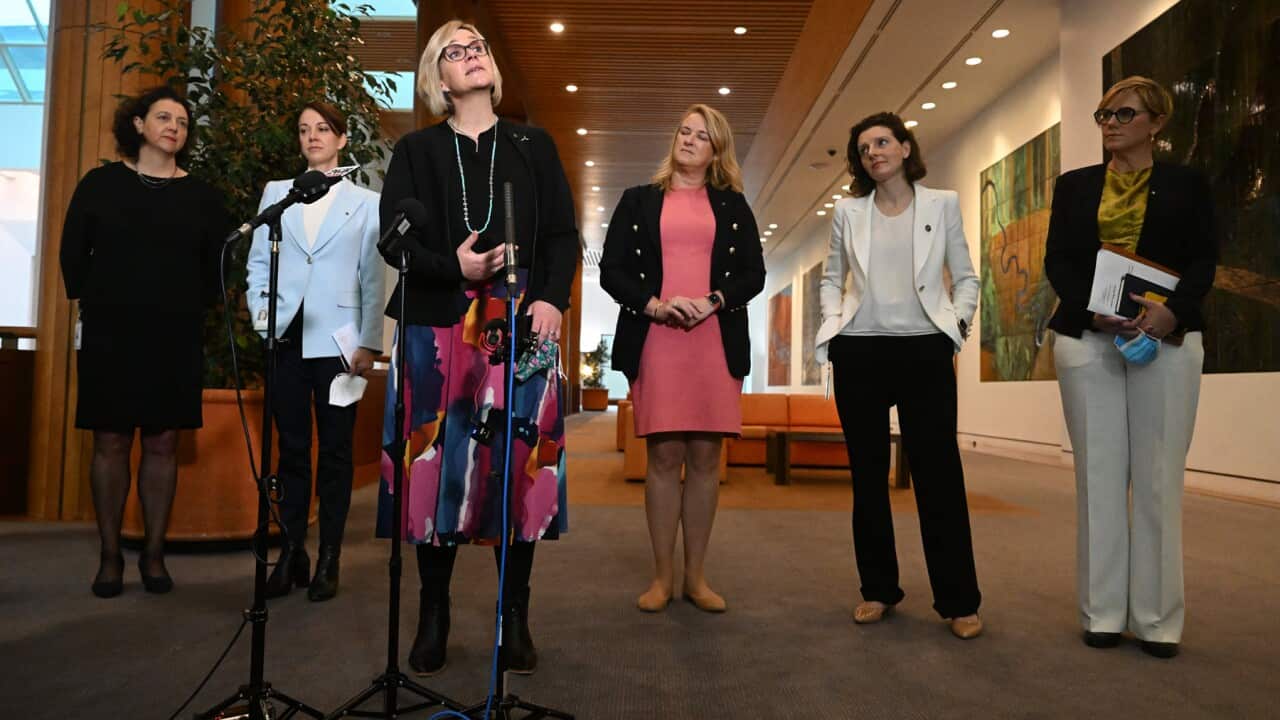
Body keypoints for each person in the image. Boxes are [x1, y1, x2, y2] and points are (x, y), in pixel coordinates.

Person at [376, 19, 578, 677]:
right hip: (434, 326)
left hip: (519, 322)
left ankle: (513, 616)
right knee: (432, 469)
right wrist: (451, 267)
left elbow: (562, 234)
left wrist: (552, 298)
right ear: (438, 78)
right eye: (455, 52)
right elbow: (394, 240)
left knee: (517, 468)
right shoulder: (415, 150)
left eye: (478, 48)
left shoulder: (533, 144)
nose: (472, 57)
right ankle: (433, 614)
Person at [1045, 76, 1215, 659]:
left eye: (1124, 114)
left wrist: (1174, 313)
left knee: (1158, 480)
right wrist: (1091, 311)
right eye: (1104, 114)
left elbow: (1203, 259)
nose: (1110, 124)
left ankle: (1158, 620)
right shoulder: (1074, 186)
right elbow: (1058, 262)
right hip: (1087, 339)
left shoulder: (1188, 185)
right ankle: (1102, 613)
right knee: (1098, 477)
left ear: (1156, 123)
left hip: (1166, 340)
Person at [813, 111, 983, 639]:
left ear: (906, 148)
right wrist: (834, 325)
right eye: (864, 149)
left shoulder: (942, 204)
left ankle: (959, 600)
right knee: (867, 478)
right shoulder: (847, 212)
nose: (874, 153)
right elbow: (833, 277)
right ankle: (878, 589)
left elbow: (966, 277)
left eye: (883, 142)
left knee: (939, 476)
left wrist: (955, 329)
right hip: (859, 351)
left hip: (925, 350)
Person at [59, 86, 228, 597]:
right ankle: (110, 556)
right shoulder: (100, 184)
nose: (174, 126)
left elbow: (217, 267)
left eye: (182, 121)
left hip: (174, 334)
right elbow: (72, 253)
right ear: (138, 124)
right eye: (163, 117)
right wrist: (97, 300)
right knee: (110, 440)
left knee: (162, 442)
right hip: (111, 330)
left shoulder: (202, 196)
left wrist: (191, 309)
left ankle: (154, 555)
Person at [600, 104, 765, 614]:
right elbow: (611, 270)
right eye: (684, 131)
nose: (688, 140)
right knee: (664, 457)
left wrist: (714, 300)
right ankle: (661, 577)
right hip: (658, 337)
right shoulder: (638, 200)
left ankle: (696, 577)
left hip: (714, 339)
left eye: (701, 135)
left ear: (717, 150)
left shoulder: (733, 204)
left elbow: (754, 273)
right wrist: (653, 305)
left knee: (706, 459)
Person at [247, 102, 384, 602]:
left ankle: (329, 556)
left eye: (323, 129)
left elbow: (374, 276)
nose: (312, 137)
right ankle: (291, 552)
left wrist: (370, 341)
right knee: (291, 448)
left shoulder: (367, 202)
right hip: (285, 338)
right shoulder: (277, 193)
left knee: (336, 451)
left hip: (340, 344)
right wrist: (264, 318)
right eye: (304, 129)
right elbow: (257, 263)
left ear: (342, 139)